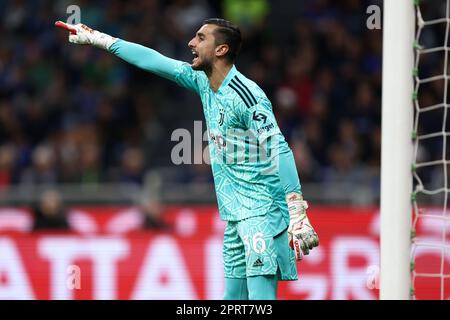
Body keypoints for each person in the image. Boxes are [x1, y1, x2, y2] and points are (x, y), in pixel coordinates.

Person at [55, 18, 319, 300]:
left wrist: (297, 211)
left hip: (262, 214)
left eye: (200, 38)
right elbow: (155, 61)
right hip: (234, 216)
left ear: (220, 50)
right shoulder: (203, 81)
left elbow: (279, 148)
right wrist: (99, 39)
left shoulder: (247, 96)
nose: (191, 43)